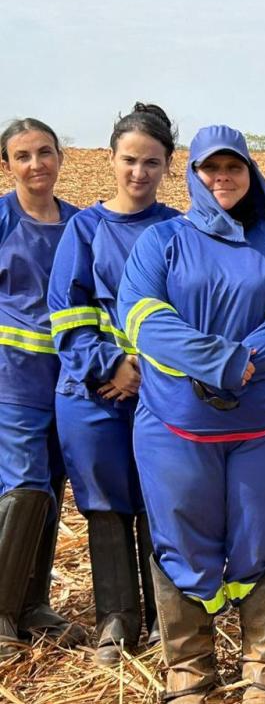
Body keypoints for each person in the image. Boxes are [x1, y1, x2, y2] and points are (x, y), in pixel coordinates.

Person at [118, 125, 265, 704]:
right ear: (194, 174)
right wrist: (219, 362)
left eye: (234, 168)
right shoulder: (161, 241)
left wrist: (244, 361)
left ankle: (264, 670)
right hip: (177, 426)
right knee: (181, 536)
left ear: (250, 174)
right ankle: (189, 670)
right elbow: (140, 314)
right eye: (211, 168)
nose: (222, 178)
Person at [48, 103, 180, 665]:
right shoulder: (84, 229)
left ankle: (166, 621)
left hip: (159, 393)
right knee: (104, 505)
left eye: (151, 162)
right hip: (92, 394)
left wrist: (146, 370)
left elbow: (190, 313)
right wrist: (110, 365)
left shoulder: (178, 229)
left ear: (169, 165)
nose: (139, 172)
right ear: (111, 159)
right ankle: (116, 621)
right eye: (129, 160)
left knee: (159, 501)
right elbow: (66, 314)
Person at [0, 119, 82, 660]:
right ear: (7, 164)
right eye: (23, 155)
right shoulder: (3, 217)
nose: (36, 164)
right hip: (11, 378)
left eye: (45, 152)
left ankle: (32, 605)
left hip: (68, 380)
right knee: (25, 485)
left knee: (50, 488)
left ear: (59, 157)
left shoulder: (78, 223)